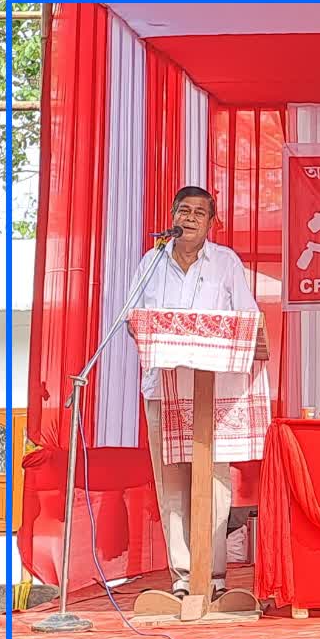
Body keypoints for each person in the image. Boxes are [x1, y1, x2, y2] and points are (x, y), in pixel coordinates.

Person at [129, 186, 256, 599]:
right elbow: (134, 319)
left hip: (211, 391)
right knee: (173, 483)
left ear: (211, 222)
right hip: (163, 387)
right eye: (183, 210)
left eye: (199, 213)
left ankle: (214, 577)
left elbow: (249, 318)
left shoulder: (225, 263)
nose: (189, 218)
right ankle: (183, 578)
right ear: (172, 214)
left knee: (213, 480)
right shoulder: (152, 262)